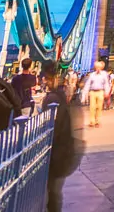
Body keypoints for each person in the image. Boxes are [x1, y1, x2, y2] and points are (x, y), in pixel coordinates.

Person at [41, 68, 78, 212]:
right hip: (63, 149)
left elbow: (54, 125)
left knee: (52, 190)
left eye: (45, 78)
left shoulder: (53, 98)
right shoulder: (61, 96)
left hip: (56, 150)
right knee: (54, 190)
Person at [81, 61, 111, 127]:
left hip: (100, 92)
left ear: (101, 68)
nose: (98, 68)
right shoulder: (92, 75)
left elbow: (106, 84)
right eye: (96, 67)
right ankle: (92, 121)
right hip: (92, 92)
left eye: (99, 67)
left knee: (99, 107)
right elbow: (88, 84)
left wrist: (107, 92)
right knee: (92, 107)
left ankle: (97, 121)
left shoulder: (104, 74)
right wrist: (84, 94)